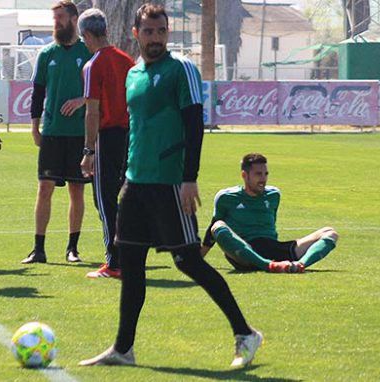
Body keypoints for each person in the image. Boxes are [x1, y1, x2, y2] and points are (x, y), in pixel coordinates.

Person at [79, 4, 262, 368]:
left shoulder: (181, 70)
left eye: (161, 31)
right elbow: (137, 129)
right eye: (148, 32)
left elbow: (195, 125)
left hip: (168, 185)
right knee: (130, 265)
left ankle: (245, 333)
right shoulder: (134, 74)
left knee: (189, 262)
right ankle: (123, 348)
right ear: (135, 34)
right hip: (135, 184)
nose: (156, 38)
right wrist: (124, 177)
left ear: (167, 33)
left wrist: (188, 178)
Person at [21, 0, 93, 264]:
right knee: (44, 188)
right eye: (54, 19)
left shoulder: (87, 53)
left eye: (60, 17)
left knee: (77, 191)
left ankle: (72, 248)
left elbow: (100, 91)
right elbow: (37, 93)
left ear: (74, 19)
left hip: (78, 134)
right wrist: (34, 127)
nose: (56, 23)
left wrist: (81, 101)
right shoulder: (46, 54)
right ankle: (38, 248)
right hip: (52, 132)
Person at [201, 153, 339, 273]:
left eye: (265, 174)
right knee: (218, 226)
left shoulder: (274, 195)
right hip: (244, 251)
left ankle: (299, 265)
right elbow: (212, 231)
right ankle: (270, 265)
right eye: (258, 174)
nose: (263, 179)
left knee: (330, 233)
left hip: (273, 248)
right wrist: (198, 258)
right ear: (244, 175)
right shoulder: (226, 197)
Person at [78, 9, 134, 279]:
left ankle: (114, 262)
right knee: (122, 199)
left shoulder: (93, 65)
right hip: (129, 135)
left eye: (84, 38)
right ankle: (128, 256)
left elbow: (92, 111)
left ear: (88, 35)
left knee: (104, 200)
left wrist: (88, 150)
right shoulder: (127, 60)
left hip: (106, 137)